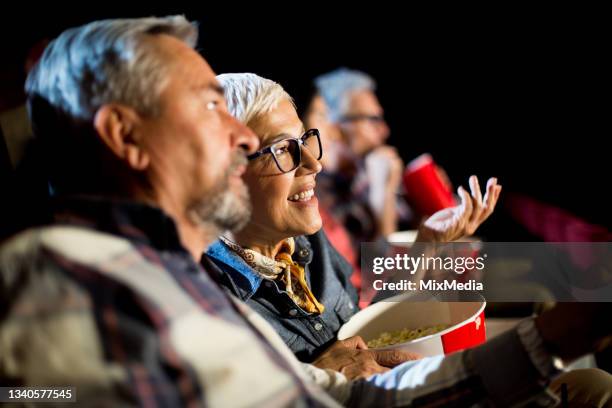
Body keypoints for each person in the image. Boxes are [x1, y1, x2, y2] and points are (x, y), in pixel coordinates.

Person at [1, 16, 610, 408]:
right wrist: (402, 227)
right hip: (419, 339)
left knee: (579, 344)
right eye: (365, 119)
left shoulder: (296, 232)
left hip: (415, 347)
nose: (238, 140)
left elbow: (374, 325)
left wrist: (430, 245)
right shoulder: (332, 202)